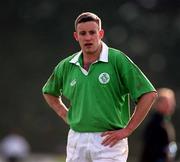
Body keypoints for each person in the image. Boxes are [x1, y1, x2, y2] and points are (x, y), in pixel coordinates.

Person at [42, 12, 157, 162]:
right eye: (83, 33)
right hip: (77, 139)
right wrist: (64, 113)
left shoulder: (117, 59)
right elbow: (49, 91)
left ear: (101, 33)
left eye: (92, 32)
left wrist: (128, 129)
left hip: (109, 141)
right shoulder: (66, 65)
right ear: (76, 36)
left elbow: (149, 94)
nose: (88, 37)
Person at [140, 88, 177, 162]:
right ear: (158, 104)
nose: (171, 105)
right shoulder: (154, 124)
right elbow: (152, 149)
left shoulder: (166, 122)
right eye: (167, 102)